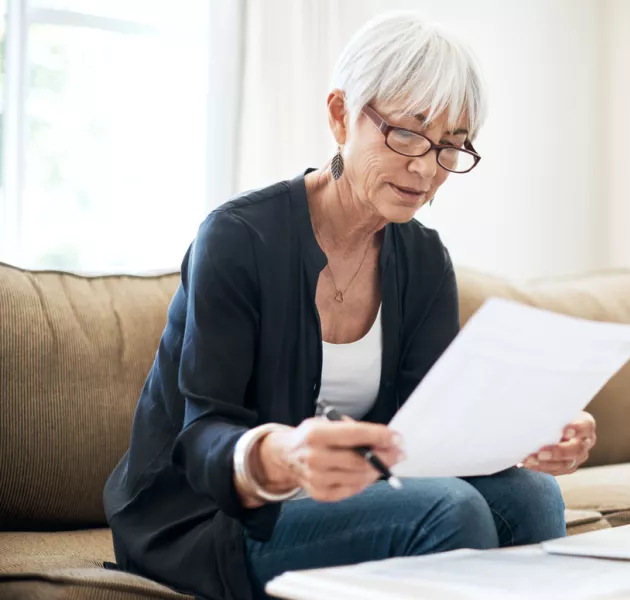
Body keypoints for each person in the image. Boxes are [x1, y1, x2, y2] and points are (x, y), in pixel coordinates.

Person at [104, 11, 597, 600]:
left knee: (532, 496)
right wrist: (279, 452)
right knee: (450, 509)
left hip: (342, 498)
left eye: (450, 145)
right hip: (208, 516)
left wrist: (526, 431)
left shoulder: (422, 258)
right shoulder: (238, 238)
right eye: (407, 133)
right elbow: (202, 431)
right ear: (340, 114)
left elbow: (427, 430)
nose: (425, 166)